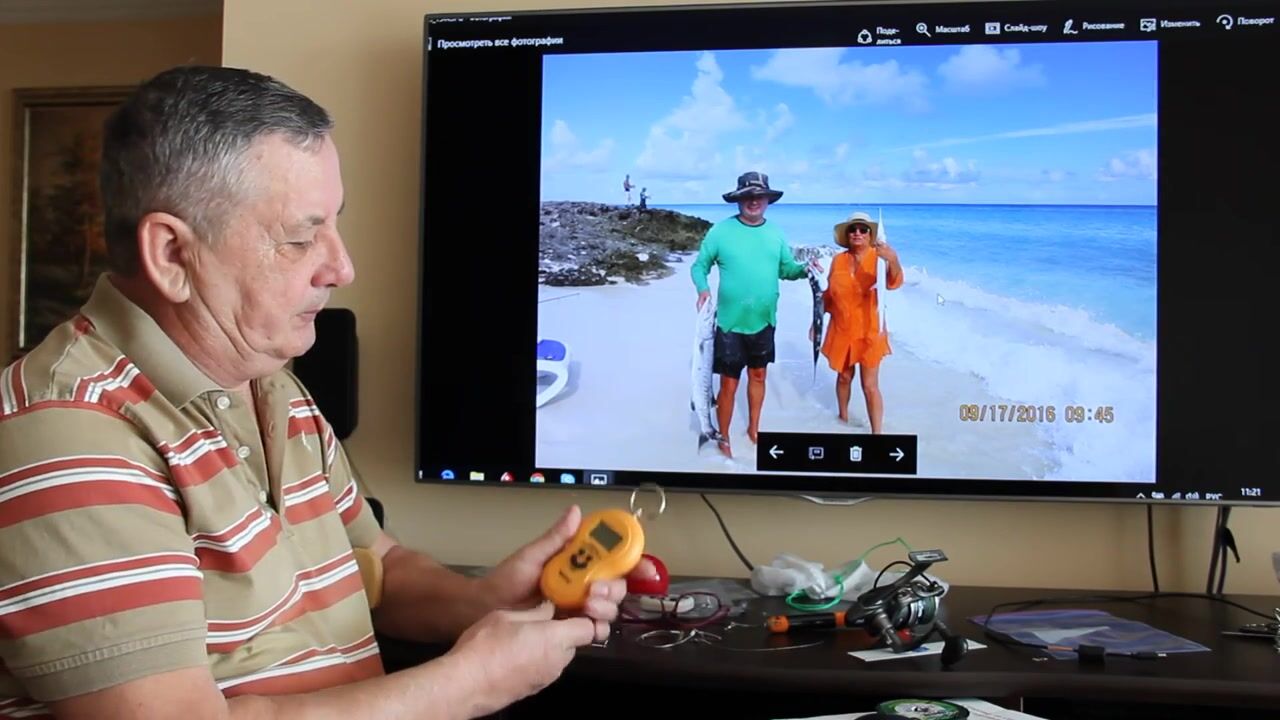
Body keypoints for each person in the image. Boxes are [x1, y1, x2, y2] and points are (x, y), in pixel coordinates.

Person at [0, 65, 635, 719]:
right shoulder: (68, 434)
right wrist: (471, 682)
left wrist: (485, 602)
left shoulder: (273, 384)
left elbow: (377, 569)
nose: (342, 267)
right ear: (171, 254)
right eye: (301, 237)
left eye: (334, 225)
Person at [690, 171, 820, 457]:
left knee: (758, 376)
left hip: (764, 320)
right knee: (728, 383)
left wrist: (806, 269)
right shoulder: (720, 231)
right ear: (739, 199)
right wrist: (702, 289)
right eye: (748, 196)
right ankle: (723, 437)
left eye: (759, 196)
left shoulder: (775, 233)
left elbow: (786, 269)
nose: (753, 201)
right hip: (729, 323)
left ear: (767, 200)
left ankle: (754, 428)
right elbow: (699, 266)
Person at [818, 211, 904, 433]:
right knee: (844, 377)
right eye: (853, 229)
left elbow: (894, 282)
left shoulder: (880, 258)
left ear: (870, 235)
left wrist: (893, 259)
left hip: (870, 330)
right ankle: (842, 418)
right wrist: (815, 322)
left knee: (869, 386)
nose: (857, 233)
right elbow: (829, 295)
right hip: (841, 328)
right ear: (847, 235)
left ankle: (877, 433)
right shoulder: (838, 260)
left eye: (863, 229)